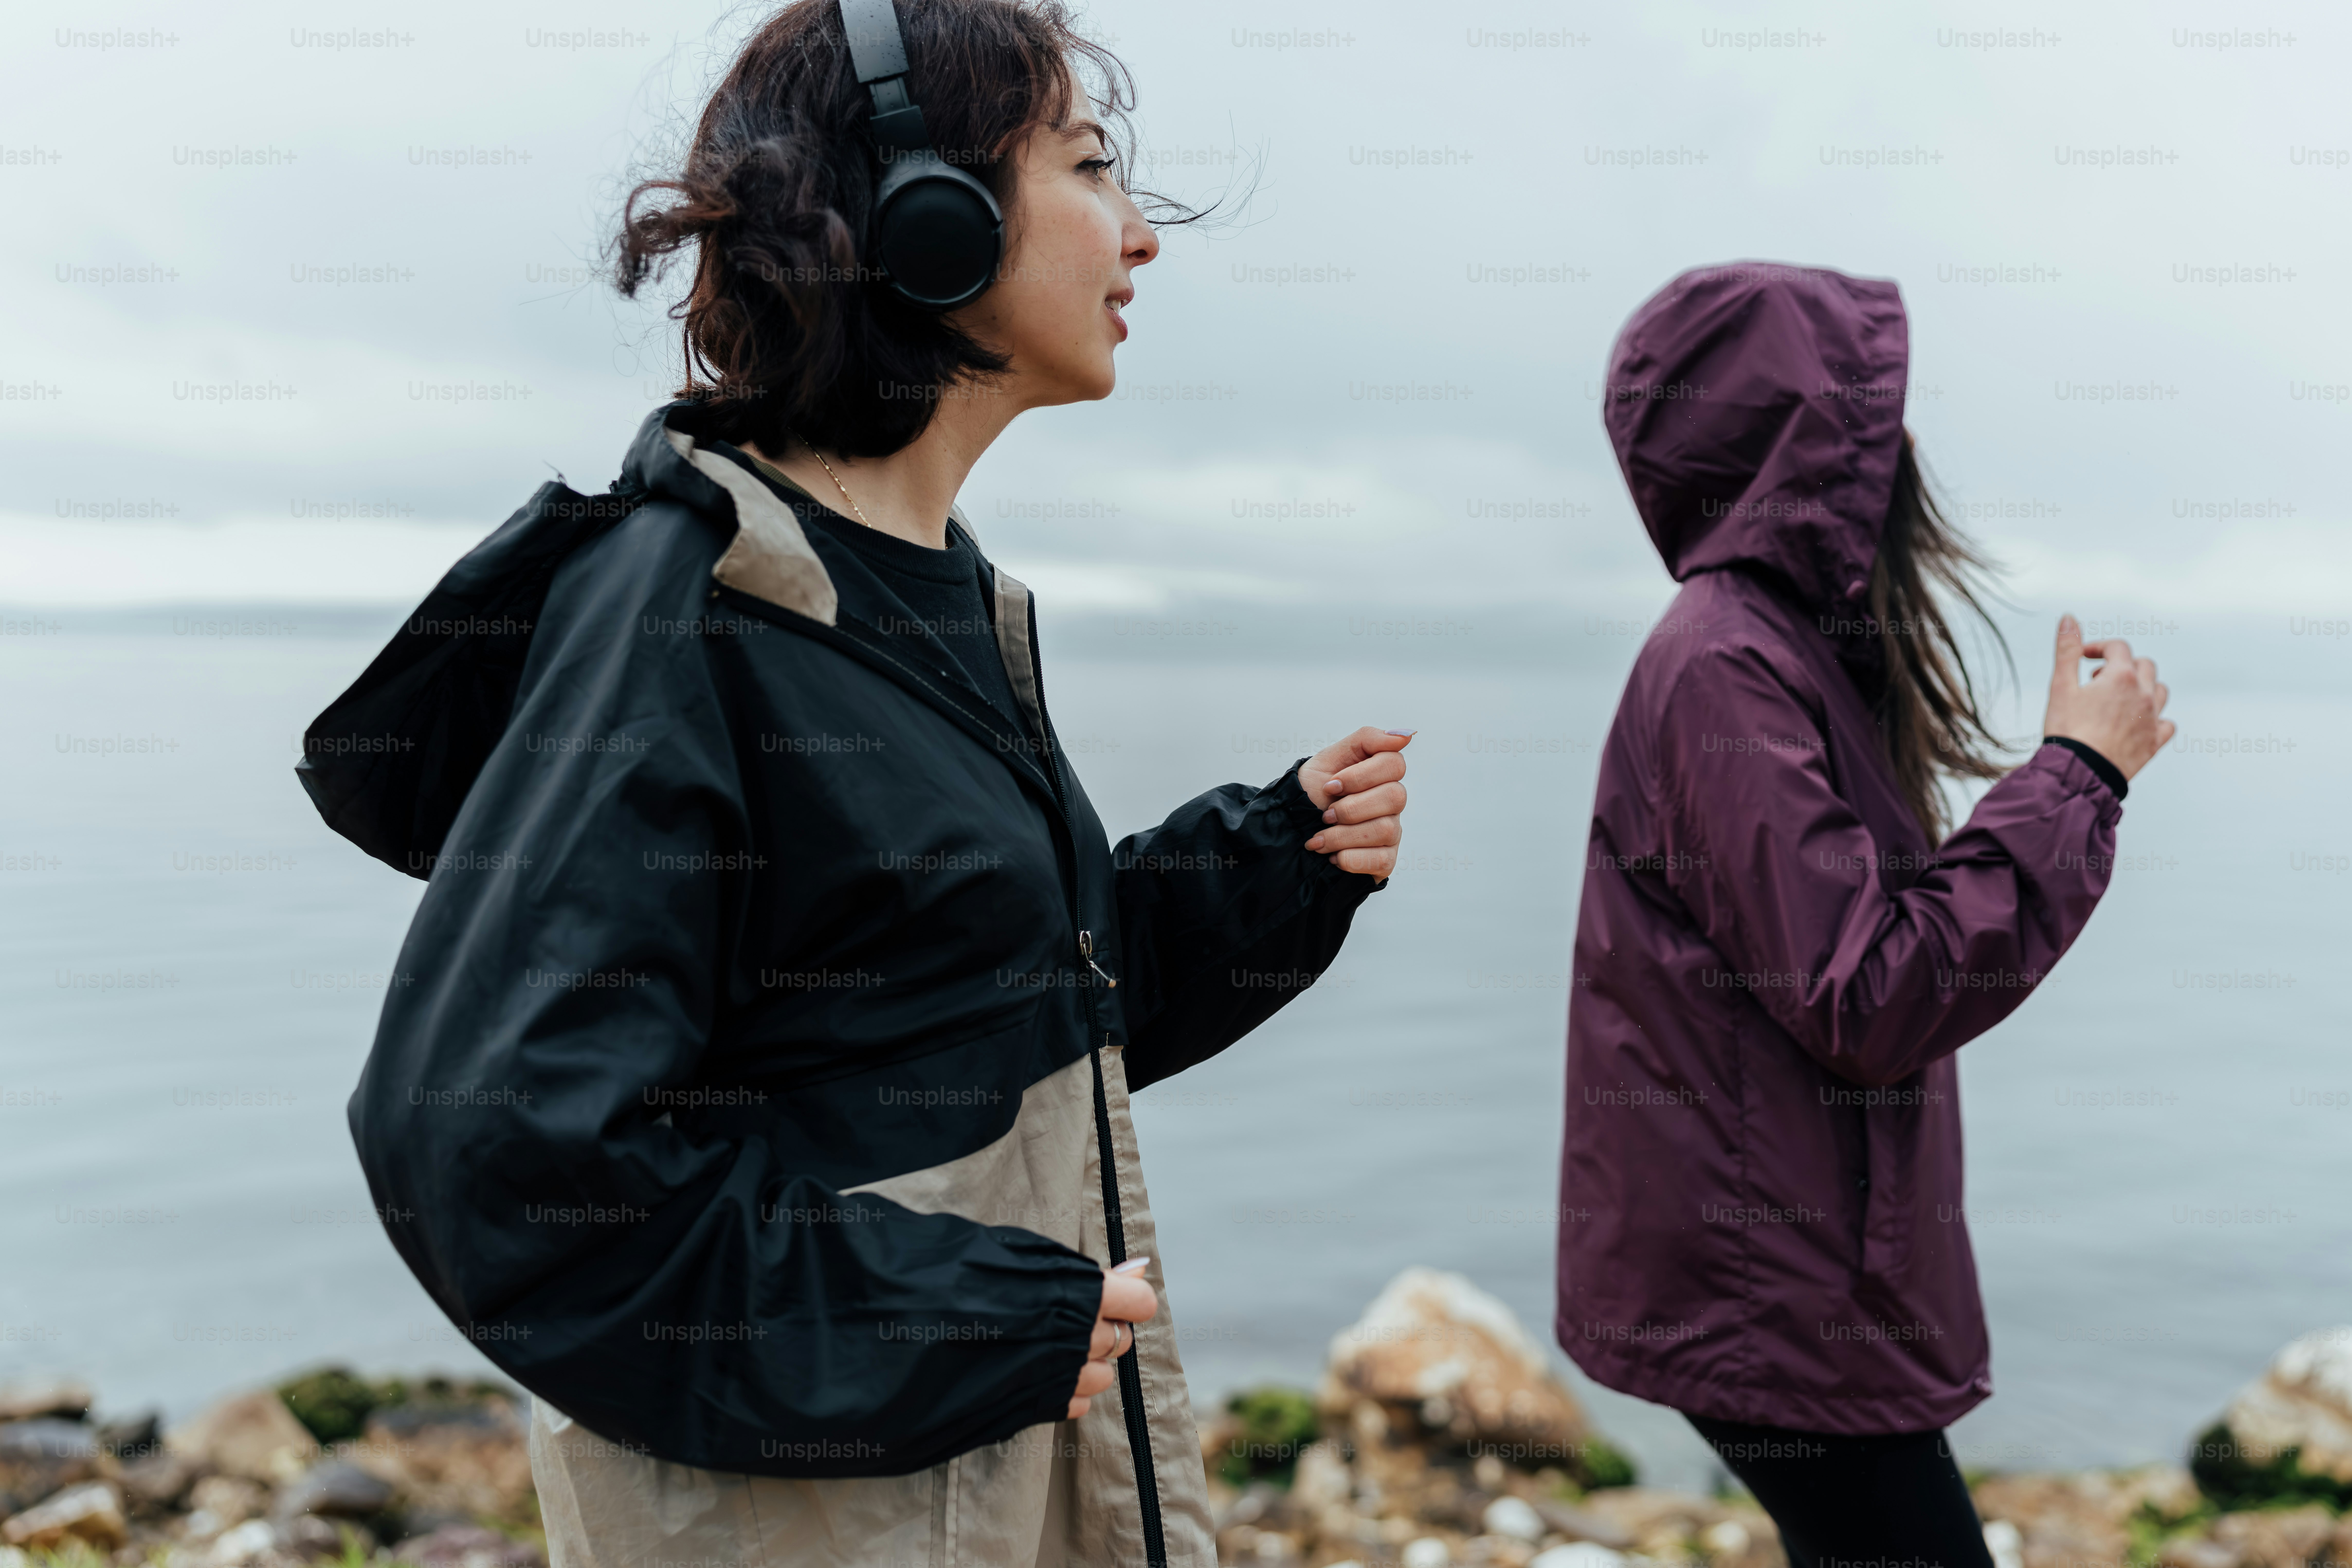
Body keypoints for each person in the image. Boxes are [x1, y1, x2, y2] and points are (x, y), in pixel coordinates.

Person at [298, 3, 1409, 1564]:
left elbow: (945, 1015)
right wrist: (956, 1323)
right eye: (1092, 168)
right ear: (922, 216)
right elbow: (495, 1155)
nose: (1143, 237)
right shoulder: (689, 614)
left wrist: (1267, 864)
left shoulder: (917, 592)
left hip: (986, 1484)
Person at [1553, 262, 2172, 1561]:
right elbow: (1869, 991)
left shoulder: (1774, 647)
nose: (1891, 451)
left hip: (1789, 1268)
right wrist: (2076, 773)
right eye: (1865, 417)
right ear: (1804, 448)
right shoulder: (1726, 662)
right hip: (1765, 1286)